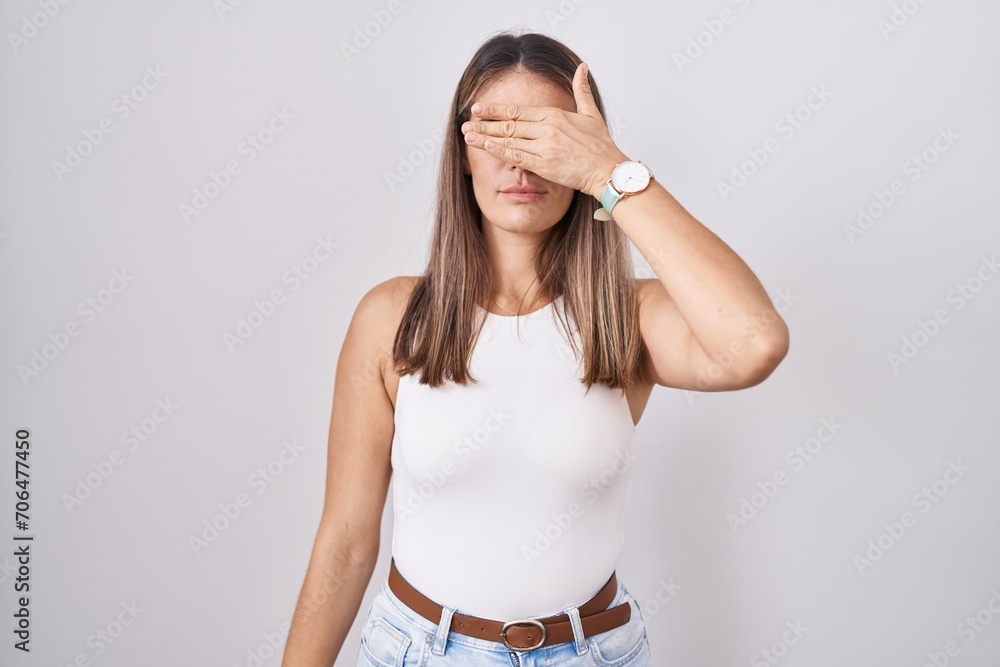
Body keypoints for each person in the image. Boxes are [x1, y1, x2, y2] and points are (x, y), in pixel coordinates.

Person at [281, 30, 789, 667]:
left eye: (547, 139)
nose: (521, 165)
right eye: (497, 134)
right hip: (417, 651)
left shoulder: (627, 318)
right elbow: (346, 543)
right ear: (460, 153)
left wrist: (611, 174)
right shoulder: (392, 318)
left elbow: (754, 343)